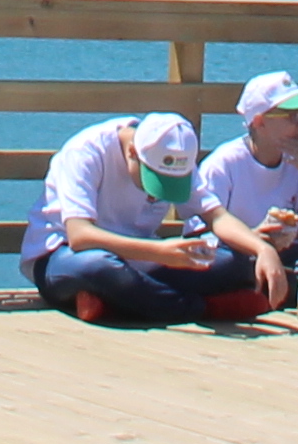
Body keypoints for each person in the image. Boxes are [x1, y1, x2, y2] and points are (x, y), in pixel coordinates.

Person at [27, 110, 266, 324]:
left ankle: (115, 302)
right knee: (98, 268)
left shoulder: (175, 155)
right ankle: (202, 308)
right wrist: (160, 252)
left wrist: (263, 250)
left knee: (233, 263)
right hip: (64, 254)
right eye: (154, 182)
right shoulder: (85, 152)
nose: (155, 196)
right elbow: (80, 235)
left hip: (139, 258)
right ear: (133, 151)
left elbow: (217, 217)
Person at [197, 72, 298, 312]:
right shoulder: (223, 164)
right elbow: (199, 235)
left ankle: (273, 284)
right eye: (293, 116)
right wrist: (253, 238)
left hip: (288, 257)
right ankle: (296, 284)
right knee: (222, 263)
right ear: (260, 121)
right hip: (238, 257)